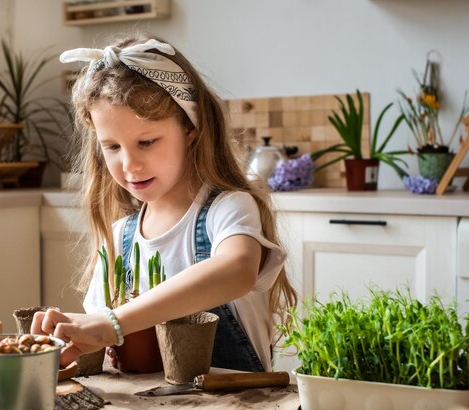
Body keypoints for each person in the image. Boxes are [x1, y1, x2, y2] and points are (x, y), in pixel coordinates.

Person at [32, 34, 297, 372]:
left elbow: (237, 270)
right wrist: (73, 335)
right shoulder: (118, 238)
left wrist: (114, 322)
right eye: (112, 146)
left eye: (146, 141)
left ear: (190, 128)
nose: (129, 165)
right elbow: (101, 338)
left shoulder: (228, 209)